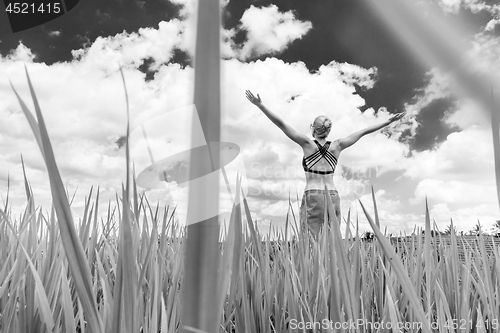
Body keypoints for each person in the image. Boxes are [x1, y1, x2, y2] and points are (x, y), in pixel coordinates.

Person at [245, 90, 405, 237]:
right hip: (333, 195)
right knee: (332, 240)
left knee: (311, 241)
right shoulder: (338, 145)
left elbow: (281, 125)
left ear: (313, 129)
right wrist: (387, 122)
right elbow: (363, 132)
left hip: (313, 195)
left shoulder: (307, 144)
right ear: (328, 130)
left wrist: (260, 105)